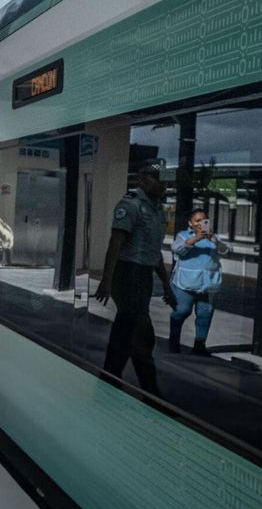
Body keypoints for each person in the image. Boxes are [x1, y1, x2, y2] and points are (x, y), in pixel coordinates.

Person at [94, 160, 175, 397]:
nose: (161, 184)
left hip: (143, 277)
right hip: (127, 274)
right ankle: (150, 392)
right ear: (142, 179)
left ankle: (109, 382)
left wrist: (166, 285)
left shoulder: (157, 211)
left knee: (128, 333)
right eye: (156, 178)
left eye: (164, 180)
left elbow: (154, 252)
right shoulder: (130, 206)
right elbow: (115, 244)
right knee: (140, 333)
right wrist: (106, 281)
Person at [169, 208, 228, 355]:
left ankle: (199, 345)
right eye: (197, 221)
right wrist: (195, 238)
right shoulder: (183, 235)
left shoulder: (215, 238)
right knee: (181, 311)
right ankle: (174, 341)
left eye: (204, 220)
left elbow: (227, 251)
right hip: (185, 283)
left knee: (205, 313)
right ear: (190, 223)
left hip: (207, 284)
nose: (200, 224)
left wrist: (214, 240)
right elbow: (177, 249)